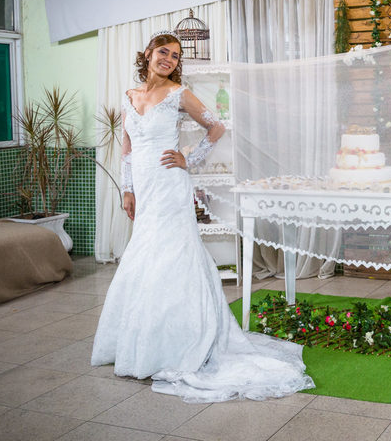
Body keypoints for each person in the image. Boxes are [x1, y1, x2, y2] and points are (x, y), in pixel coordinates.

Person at [91, 31, 314, 402]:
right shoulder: (130, 98)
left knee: (173, 255)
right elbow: (126, 147)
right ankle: (143, 340)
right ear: (147, 53)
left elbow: (217, 126)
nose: (169, 60)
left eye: (176, 56)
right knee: (145, 256)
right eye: (164, 52)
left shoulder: (179, 95)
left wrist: (188, 159)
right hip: (143, 189)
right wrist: (126, 190)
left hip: (169, 185)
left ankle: (181, 342)